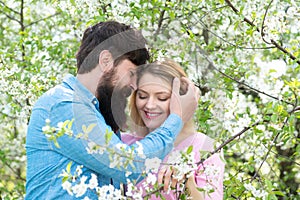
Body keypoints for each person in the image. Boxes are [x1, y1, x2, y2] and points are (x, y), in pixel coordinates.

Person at [25, 21, 199, 199]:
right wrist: (177, 116)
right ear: (106, 60)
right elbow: (127, 165)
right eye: (131, 74)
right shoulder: (63, 104)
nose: (133, 85)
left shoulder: (98, 115)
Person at [122, 59, 225, 199]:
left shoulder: (205, 147)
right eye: (143, 96)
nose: (150, 105)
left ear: (183, 100)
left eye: (162, 98)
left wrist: (188, 181)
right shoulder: (124, 143)